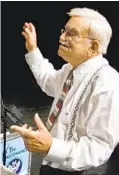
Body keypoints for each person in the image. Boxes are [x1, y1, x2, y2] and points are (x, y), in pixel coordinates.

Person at [11, 7, 119, 175]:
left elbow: (99, 147)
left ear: (93, 46)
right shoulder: (70, 69)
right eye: (64, 31)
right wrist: (33, 49)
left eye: (71, 34)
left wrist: (51, 146)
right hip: (51, 163)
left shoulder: (107, 83)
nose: (61, 37)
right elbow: (48, 80)